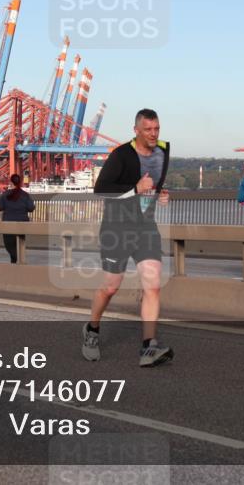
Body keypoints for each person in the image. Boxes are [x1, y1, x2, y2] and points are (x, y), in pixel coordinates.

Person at [82, 108, 173, 367]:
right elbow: (101, 191)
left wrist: (161, 195)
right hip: (117, 228)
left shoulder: (163, 151)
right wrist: (135, 189)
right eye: (148, 130)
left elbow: (153, 185)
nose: (154, 134)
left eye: (157, 129)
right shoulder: (121, 155)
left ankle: (149, 347)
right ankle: (92, 329)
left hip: (146, 228)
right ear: (136, 130)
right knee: (111, 287)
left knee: (153, 285)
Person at [0, 173, 35, 263]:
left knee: (9, 244)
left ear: (11, 182)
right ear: (20, 182)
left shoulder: (5, 194)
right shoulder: (25, 195)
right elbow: (31, 208)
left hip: (8, 223)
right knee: (20, 242)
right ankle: (19, 259)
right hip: (22, 223)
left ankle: (15, 258)